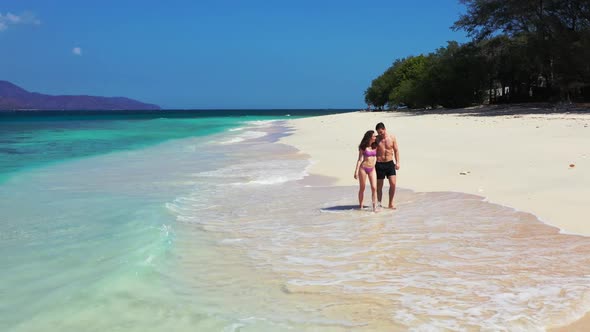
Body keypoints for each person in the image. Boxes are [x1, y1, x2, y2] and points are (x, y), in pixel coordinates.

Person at [375, 122, 400, 209]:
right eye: (378, 133)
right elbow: (368, 147)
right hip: (379, 164)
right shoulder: (376, 139)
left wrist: (397, 162)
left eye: (381, 132)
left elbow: (396, 150)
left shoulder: (392, 138)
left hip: (390, 164)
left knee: (393, 184)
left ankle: (390, 203)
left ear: (384, 129)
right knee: (379, 186)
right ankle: (379, 204)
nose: (380, 134)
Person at [354, 130, 378, 212]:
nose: (375, 137)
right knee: (362, 188)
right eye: (374, 136)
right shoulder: (363, 147)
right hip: (363, 169)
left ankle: (374, 208)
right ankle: (360, 206)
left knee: (374, 188)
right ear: (370, 137)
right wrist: (356, 171)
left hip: (372, 169)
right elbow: (359, 159)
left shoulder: (375, 146)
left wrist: (374, 164)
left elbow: (376, 157)